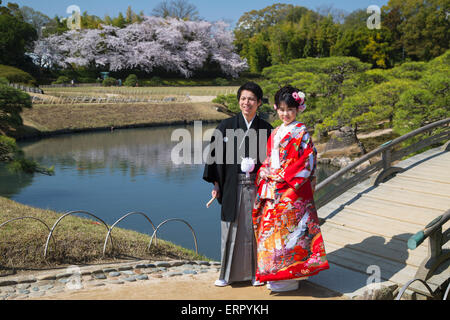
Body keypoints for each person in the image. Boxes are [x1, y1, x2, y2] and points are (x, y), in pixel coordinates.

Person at [252, 85, 329, 292]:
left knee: (291, 234)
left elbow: (308, 159)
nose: (285, 114)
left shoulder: (301, 131)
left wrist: (282, 177)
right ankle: (272, 272)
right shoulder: (276, 131)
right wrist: (265, 171)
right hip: (273, 188)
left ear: (297, 109)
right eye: (282, 109)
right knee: (271, 233)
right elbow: (270, 158)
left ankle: (291, 276)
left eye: (290, 110)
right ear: (276, 108)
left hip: (291, 191)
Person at [203, 82, 273, 287]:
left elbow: (274, 161)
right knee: (230, 229)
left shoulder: (267, 130)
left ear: (259, 102)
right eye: (243, 98)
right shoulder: (225, 127)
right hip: (232, 185)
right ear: (239, 101)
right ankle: (225, 275)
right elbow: (214, 158)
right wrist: (216, 184)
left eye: (251, 99)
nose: (246, 103)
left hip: (258, 186)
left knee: (256, 229)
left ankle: (256, 274)